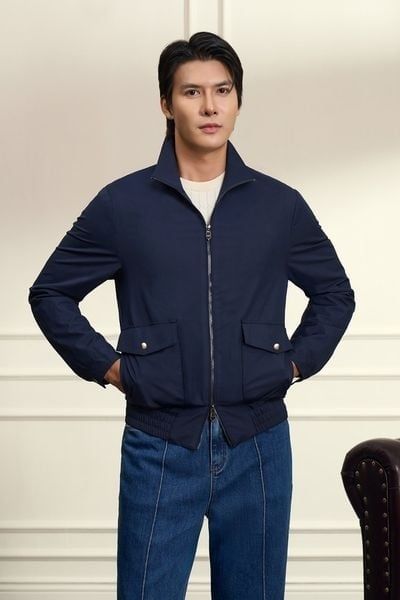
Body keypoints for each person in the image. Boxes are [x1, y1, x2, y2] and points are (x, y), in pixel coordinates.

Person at [28, 31, 356, 599]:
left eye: (222, 91)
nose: (209, 107)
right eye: (192, 92)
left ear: (238, 101)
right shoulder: (122, 205)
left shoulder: (279, 206)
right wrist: (112, 368)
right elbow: (50, 292)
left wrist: (294, 364)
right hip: (160, 444)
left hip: (258, 443)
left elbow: (334, 292)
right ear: (166, 104)